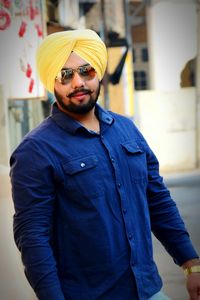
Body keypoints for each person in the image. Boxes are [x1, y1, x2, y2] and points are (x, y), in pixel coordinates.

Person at [10, 29, 200, 300]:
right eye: (66, 74)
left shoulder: (126, 129)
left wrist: (191, 263)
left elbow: (157, 200)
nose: (78, 82)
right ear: (52, 81)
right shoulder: (35, 150)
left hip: (148, 290)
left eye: (86, 71)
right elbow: (33, 238)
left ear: (98, 73)